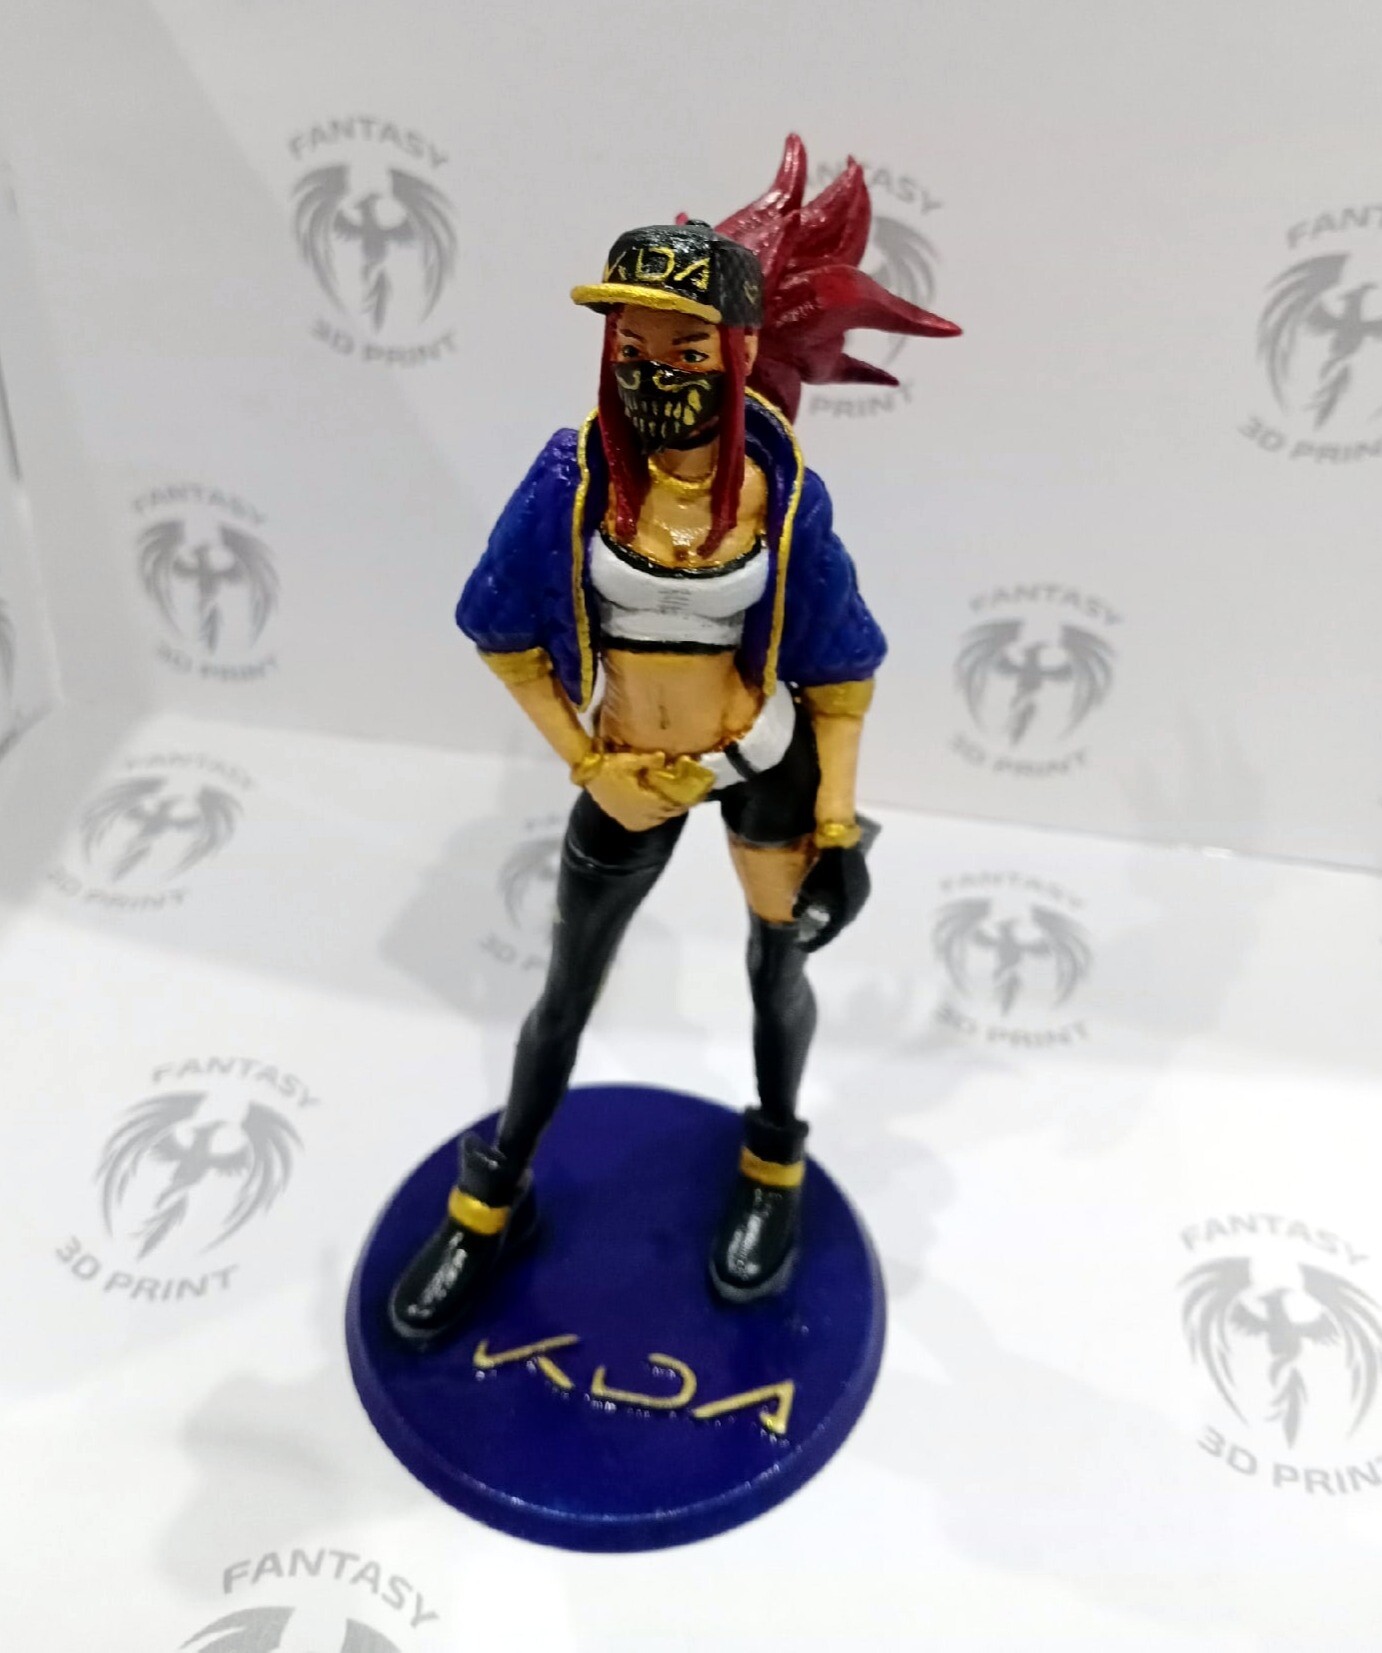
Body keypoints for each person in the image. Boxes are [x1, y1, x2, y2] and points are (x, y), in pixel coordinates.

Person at [390, 136, 959, 1346]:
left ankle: (773, 1162)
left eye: (685, 348)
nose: (654, 369)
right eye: (631, 345)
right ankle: (491, 1199)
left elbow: (840, 666)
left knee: (776, 969)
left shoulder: (783, 493)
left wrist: (836, 823)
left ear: (735, 354)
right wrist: (587, 763)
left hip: (759, 765)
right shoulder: (573, 477)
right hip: (626, 777)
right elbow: (498, 629)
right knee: (564, 989)